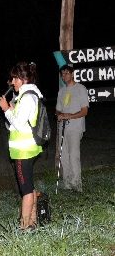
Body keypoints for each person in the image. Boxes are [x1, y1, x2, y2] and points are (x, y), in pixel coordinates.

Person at [0, 61, 44, 229]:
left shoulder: (28, 97)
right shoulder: (29, 95)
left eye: (15, 78)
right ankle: (32, 222)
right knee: (29, 186)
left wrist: (5, 109)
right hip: (27, 149)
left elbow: (18, 123)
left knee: (25, 190)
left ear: (23, 79)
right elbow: (23, 119)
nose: (12, 82)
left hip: (24, 151)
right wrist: (11, 107)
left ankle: (24, 226)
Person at [55, 64, 89, 192]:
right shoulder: (61, 91)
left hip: (75, 127)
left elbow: (84, 111)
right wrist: (59, 115)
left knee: (74, 155)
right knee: (63, 156)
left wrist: (70, 115)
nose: (64, 76)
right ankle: (67, 183)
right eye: (62, 74)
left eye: (67, 73)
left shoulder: (80, 89)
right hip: (62, 128)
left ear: (72, 74)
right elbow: (58, 110)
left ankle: (77, 184)